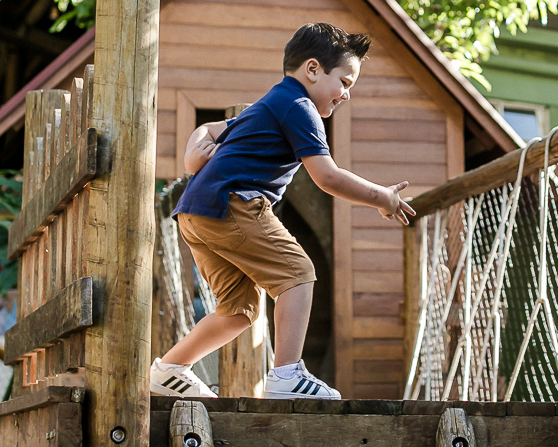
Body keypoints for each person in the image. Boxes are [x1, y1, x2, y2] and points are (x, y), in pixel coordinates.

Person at [149, 23, 415, 400]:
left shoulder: (272, 104)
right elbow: (327, 177)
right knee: (298, 274)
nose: (346, 94)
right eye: (344, 82)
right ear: (312, 70)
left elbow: (209, 129)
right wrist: (382, 197)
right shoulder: (299, 106)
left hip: (196, 213)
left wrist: (195, 150)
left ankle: (169, 370)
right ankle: (286, 375)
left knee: (239, 310)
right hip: (234, 204)